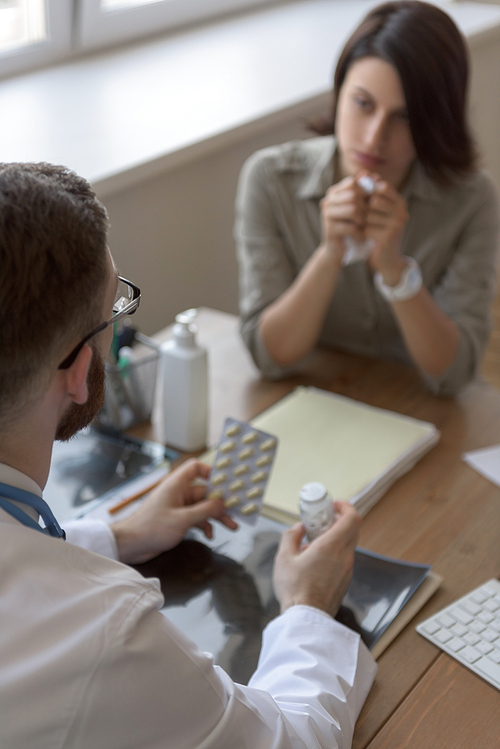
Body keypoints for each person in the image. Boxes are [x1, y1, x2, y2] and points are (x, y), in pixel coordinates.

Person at [0, 162, 377, 749]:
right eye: (115, 311)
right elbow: (290, 741)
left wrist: (115, 536)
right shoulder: (108, 630)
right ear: (78, 372)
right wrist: (307, 607)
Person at [236, 0, 500, 396]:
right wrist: (329, 255)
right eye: (363, 103)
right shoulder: (270, 180)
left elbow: (453, 376)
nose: (376, 136)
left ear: (435, 121)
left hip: (417, 406)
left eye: (405, 116)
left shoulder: (472, 200)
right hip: (314, 399)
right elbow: (270, 357)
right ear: (339, 92)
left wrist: (395, 271)